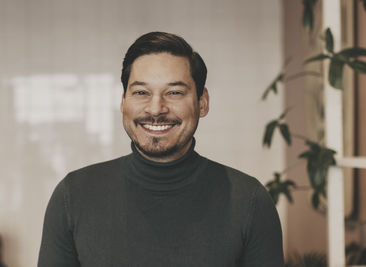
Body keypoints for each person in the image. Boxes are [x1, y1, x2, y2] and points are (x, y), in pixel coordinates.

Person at [38, 32, 284, 267]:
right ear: (123, 102)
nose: (156, 109)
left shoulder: (249, 201)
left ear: (202, 102)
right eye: (141, 92)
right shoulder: (73, 196)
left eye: (174, 92)